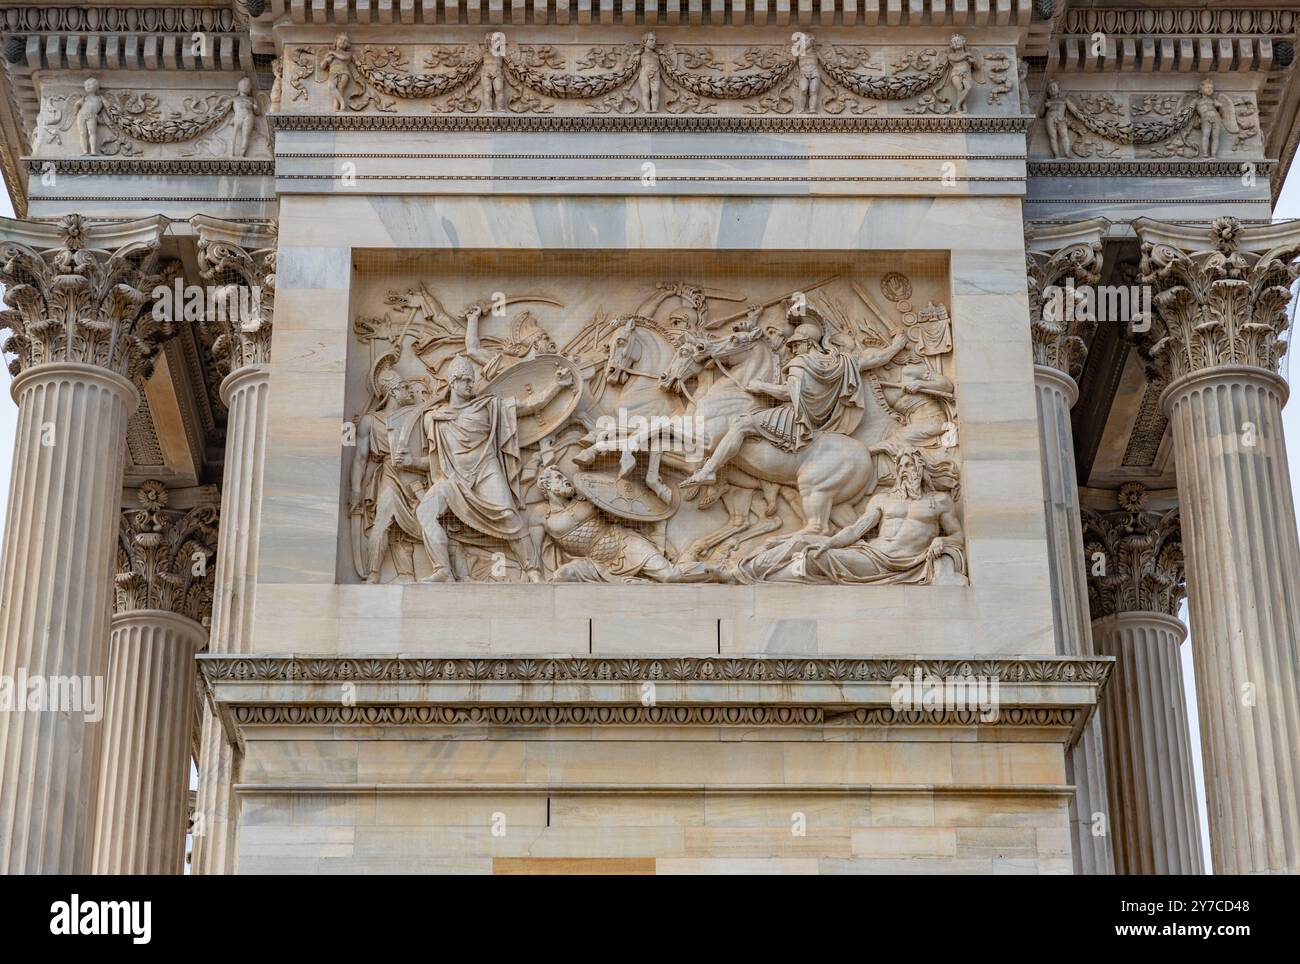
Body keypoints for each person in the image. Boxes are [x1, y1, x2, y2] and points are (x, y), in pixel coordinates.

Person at [681, 309, 908, 487]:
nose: (793, 349)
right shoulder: (840, 363)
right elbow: (874, 360)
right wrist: (897, 345)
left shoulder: (800, 364)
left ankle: (710, 470)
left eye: (796, 345)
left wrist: (761, 386)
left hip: (793, 418)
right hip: (816, 421)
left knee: (741, 424)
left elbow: (787, 394)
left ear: (807, 343)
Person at [415, 350, 572, 582]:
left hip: (486, 471)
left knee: (509, 516)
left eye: (471, 380)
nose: (470, 384)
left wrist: (557, 386)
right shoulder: (434, 418)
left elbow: (529, 406)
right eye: (465, 380)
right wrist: (408, 462)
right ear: (452, 382)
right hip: (454, 480)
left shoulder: (487, 406)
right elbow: (435, 460)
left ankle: (533, 570)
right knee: (424, 512)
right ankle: (443, 570)